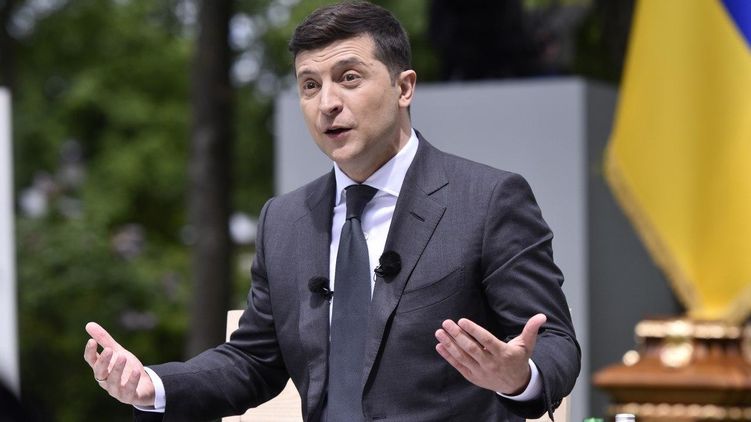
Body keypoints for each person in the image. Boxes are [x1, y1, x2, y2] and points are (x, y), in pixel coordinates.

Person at [84, 1, 580, 421]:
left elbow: (555, 341)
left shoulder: (487, 200)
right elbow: (253, 361)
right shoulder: (284, 221)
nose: (327, 103)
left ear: (404, 87)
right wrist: (154, 386)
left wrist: (520, 376)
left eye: (349, 78)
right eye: (309, 85)